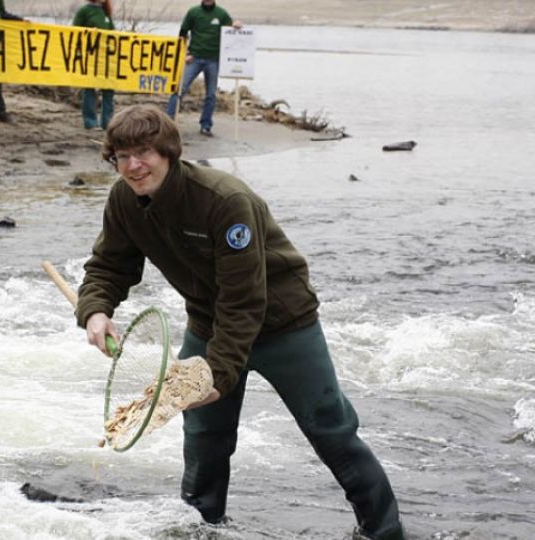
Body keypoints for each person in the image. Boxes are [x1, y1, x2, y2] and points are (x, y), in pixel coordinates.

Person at [74, 105, 405, 540]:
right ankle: (202, 528)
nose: (133, 166)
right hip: (208, 324)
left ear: (169, 151)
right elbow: (108, 265)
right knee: (204, 436)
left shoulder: (225, 201)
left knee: (331, 430)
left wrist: (220, 374)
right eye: (121, 156)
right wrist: (96, 308)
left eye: (144, 153)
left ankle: (384, 531)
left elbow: (244, 300)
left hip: (284, 325)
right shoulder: (124, 199)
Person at [166, 0, 241, 137]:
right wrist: (186, 53)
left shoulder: (221, 14)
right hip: (194, 58)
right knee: (179, 89)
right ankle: (167, 122)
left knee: (211, 94)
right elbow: (183, 33)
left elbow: (231, 31)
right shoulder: (194, 12)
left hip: (213, 60)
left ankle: (206, 125)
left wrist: (236, 24)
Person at [72, 0, 115, 130]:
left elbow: (113, 32)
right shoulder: (84, 11)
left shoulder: (105, 13)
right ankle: (90, 122)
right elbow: (74, 31)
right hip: (89, 58)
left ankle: (108, 122)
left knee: (109, 89)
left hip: (105, 58)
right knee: (89, 89)